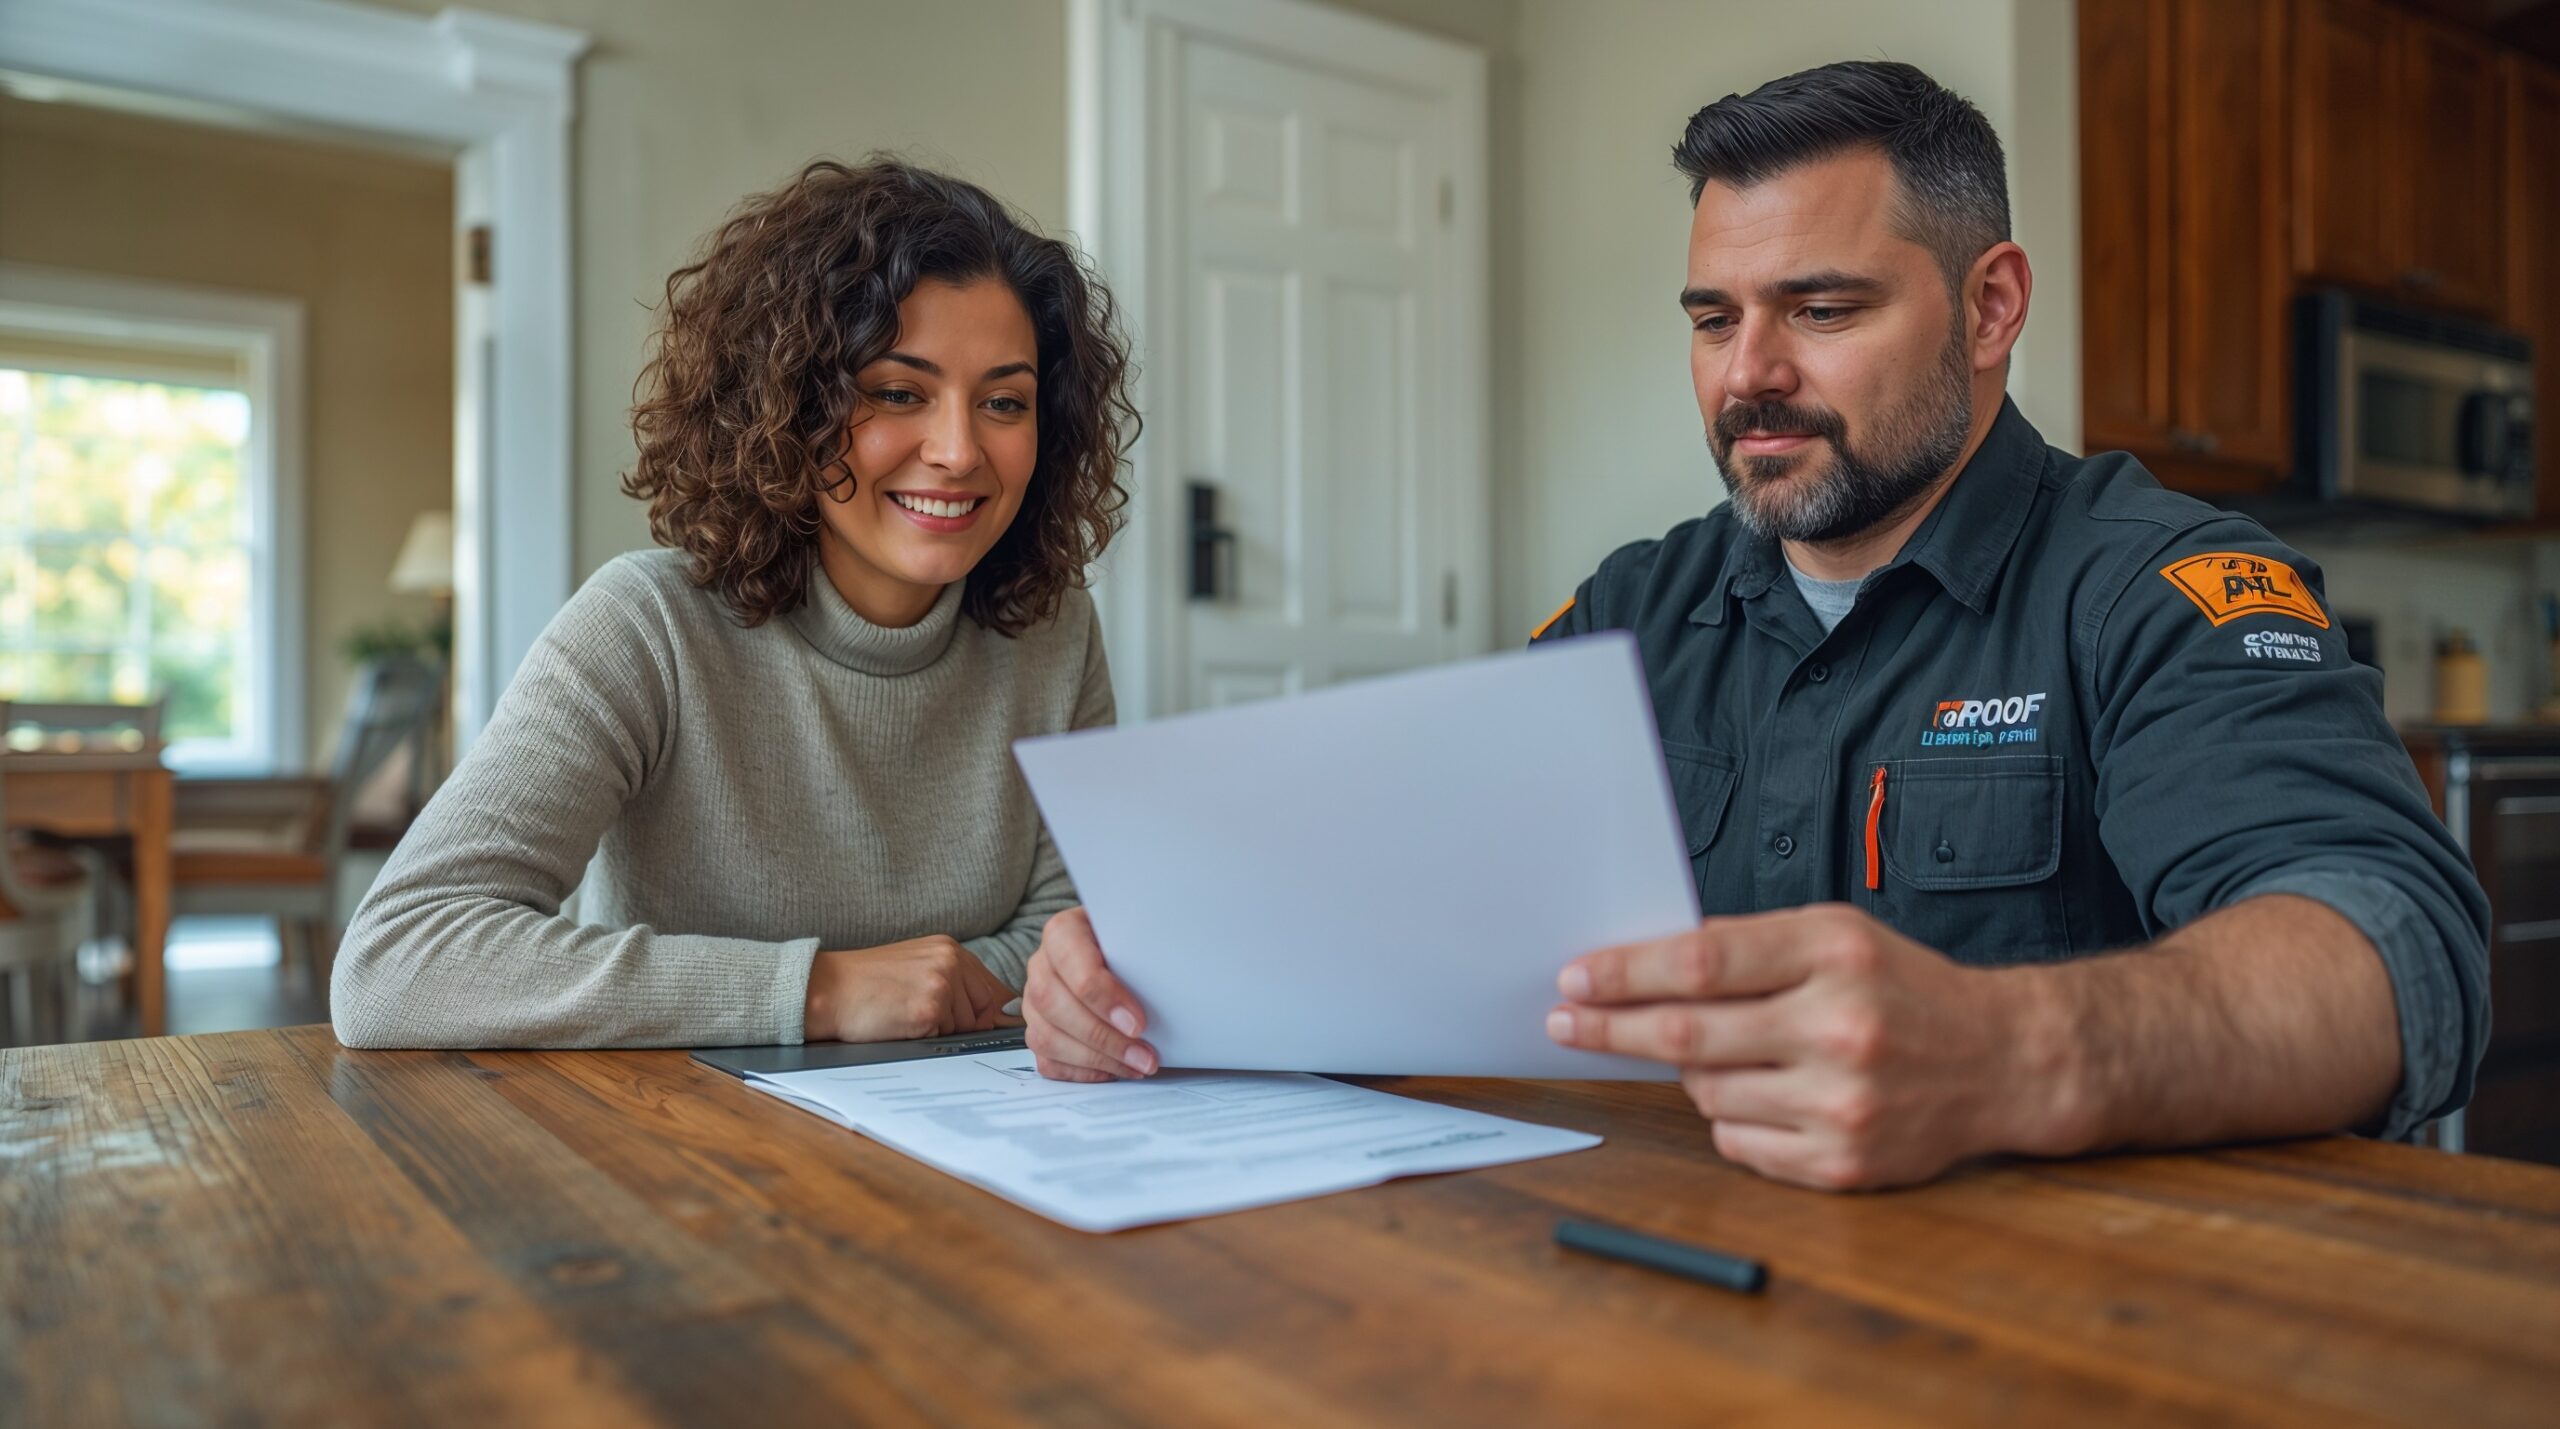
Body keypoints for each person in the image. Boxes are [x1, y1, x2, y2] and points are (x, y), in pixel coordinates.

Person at [1021, 61, 2490, 1192]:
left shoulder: (2158, 590)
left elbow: (2395, 957)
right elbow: (1413, 905)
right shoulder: (1628, 611)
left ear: (1992, 308)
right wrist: (1149, 967)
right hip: (1666, 1278)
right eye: (1714, 319)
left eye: (1822, 307)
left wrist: (2011, 1050)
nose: (1750, 376)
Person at [333, 157, 1133, 1049]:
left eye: (1004, 402)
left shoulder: (1053, 633)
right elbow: (397, 959)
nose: (957, 449)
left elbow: (1076, 938)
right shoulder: (647, 627)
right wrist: (818, 990)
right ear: (789, 404)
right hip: (679, 1152)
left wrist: (978, 990)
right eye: (898, 393)